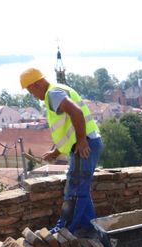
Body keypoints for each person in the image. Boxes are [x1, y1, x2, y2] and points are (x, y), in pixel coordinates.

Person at [20, 68, 103, 236]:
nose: (33, 95)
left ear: (36, 85)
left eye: (30, 91)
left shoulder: (52, 94)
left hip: (84, 145)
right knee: (81, 189)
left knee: (74, 190)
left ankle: (63, 230)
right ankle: (90, 228)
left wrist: (81, 140)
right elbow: (68, 127)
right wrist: (56, 152)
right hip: (88, 143)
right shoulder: (58, 89)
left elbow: (76, 112)